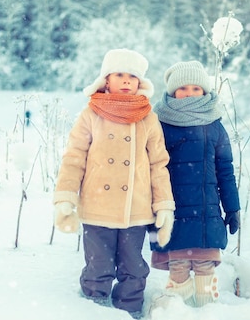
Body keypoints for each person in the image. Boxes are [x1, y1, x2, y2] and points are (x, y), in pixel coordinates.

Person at [52, 48, 176, 319]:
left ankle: (130, 310)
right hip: (97, 208)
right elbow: (74, 158)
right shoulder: (90, 115)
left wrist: (164, 205)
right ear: (106, 79)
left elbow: (159, 164)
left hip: (136, 210)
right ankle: (93, 311)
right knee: (98, 268)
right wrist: (65, 198)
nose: (126, 80)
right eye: (119, 74)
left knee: (133, 268)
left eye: (132, 76)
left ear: (140, 82)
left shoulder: (147, 118)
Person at [150, 60, 240, 307]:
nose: (189, 93)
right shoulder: (160, 123)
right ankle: (179, 309)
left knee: (205, 264)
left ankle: (207, 308)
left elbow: (225, 170)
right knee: (177, 263)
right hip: (172, 208)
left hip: (206, 210)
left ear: (205, 91)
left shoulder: (214, 125)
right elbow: (151, 167)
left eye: (195, 88)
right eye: (183, 88)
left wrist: (232, 207)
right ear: (172, 92)